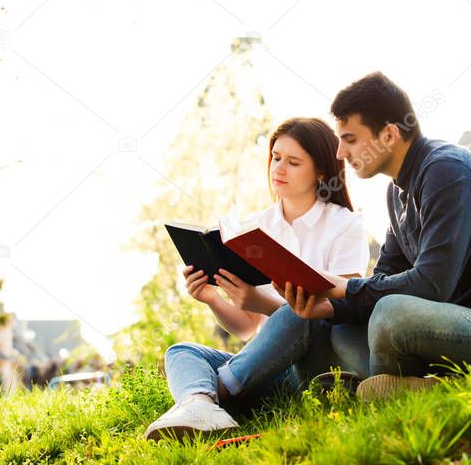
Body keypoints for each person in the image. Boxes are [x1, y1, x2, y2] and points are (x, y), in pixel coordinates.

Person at [275, 72, 471, 401]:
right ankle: (400, 390)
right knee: (339, 331)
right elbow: (383, 282)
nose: (339, 154)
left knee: (393, 315)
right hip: (466, 330)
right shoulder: (397, 193)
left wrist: (344, 286)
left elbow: (432, 285)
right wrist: (331, 308)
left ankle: (420, 392)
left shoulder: (448, 172)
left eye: (349, 139)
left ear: (389, 135)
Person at [145, 117, 370, 441]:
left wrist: (260, 301)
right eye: (276, 158)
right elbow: (247, 327)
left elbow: (343, 305)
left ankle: (213, 394)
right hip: (264, 365)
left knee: (303, 312)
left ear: (321, 171)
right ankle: (201, 403)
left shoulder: (346, 225)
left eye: (293, 162)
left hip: (314, 363)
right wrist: (212, 298)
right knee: (181, 352)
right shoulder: (253, 228)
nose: (279, 169)